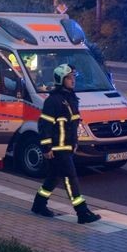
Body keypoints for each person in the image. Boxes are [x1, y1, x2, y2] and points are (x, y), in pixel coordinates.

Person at [31, 64, 101, 224]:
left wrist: (74, 142)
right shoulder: (53, 101)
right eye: (69, 78)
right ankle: (82, 212)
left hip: (67, 146)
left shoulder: (71, 99)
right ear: (61, 80)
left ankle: (38, 205)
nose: (73, 80)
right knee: (71, 178)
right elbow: (44, 125)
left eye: (74, 77)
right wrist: (47, 147)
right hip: (57, 148)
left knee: (53, 178)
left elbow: (72, 125)